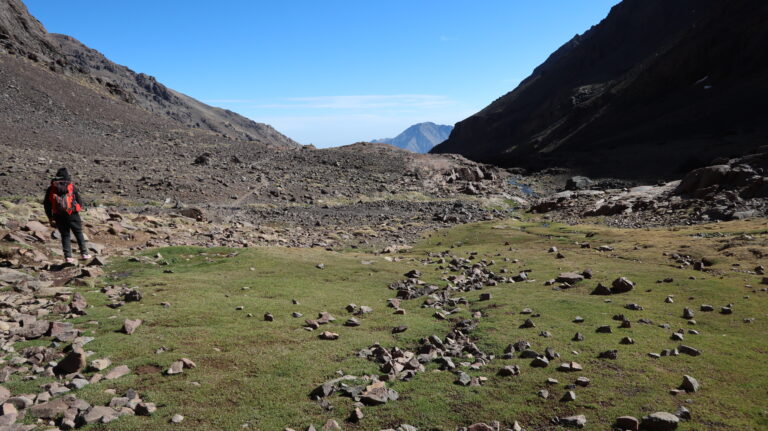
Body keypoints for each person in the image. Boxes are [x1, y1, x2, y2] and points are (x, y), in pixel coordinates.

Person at [43, 168, 91, 264]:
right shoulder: (71, 186)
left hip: (58, 215)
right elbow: (79, 200)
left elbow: (46, 204)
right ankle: (84, 253)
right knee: (78, 233)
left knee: (65, 235)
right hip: (72, 214)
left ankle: (68, 257)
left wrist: (50, 217)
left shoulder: (52, 188)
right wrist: (77, 208)